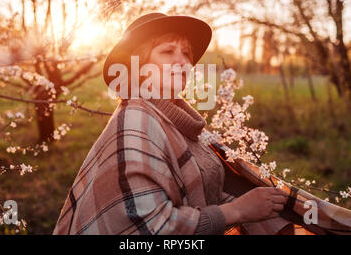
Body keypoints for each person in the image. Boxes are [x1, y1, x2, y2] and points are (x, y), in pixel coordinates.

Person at [53, 13, 290, 235]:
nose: (182, 61)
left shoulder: (183, 122)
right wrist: (237, 211)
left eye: (186, 53)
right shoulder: (136, 120)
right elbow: (152, 225)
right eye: (168, 51)